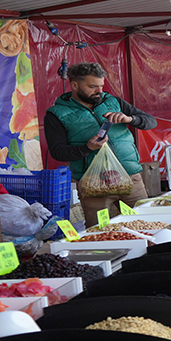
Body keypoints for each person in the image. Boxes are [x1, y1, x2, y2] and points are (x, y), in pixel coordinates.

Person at [45, 62, 157, 225]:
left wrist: (130, 119)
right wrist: (87, 148)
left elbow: (151, 122)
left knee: (146, 224)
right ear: (75, 85)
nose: (99, 91)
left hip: (130, 178)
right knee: (99, 232)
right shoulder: (57, 114)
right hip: (93, 185)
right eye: (93, 87)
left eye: (101, 86)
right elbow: (58, 151)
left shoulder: (113, 102)